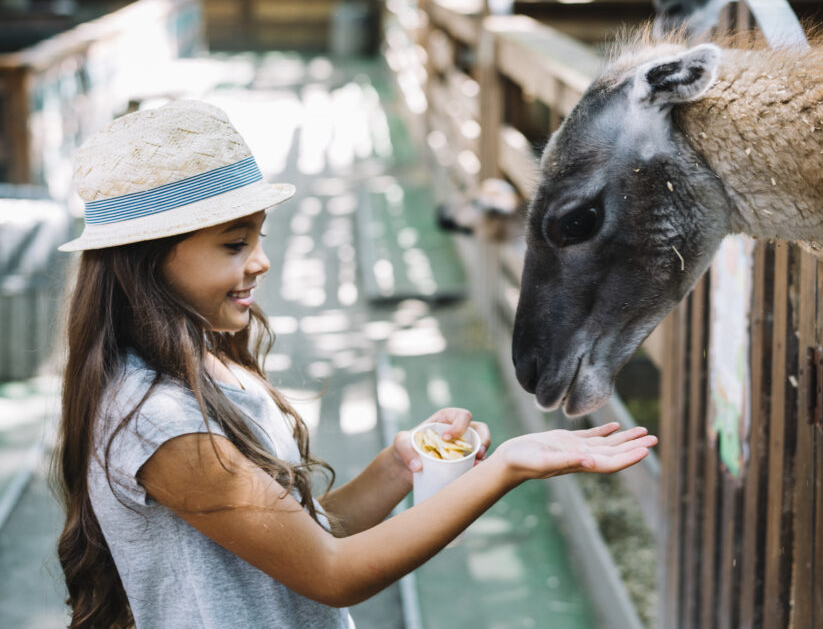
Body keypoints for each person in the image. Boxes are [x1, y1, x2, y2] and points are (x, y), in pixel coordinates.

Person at [52, 100, 657, 629]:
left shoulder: (210, 363)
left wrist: (399, 465)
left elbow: (303, 535)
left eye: (259, 238)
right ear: (146, 261)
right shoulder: (161, 422)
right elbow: (330, 572)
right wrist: (501, 471)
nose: (261, 262)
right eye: (234, 244)